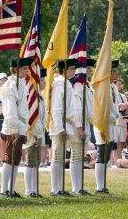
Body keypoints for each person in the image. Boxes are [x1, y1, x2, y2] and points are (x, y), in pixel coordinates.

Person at [0, 58, 32, 198]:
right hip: (13, 126)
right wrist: (14, 129)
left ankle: (11, 188)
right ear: (16, 70)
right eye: (24, 69)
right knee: (9, 158)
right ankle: (4, 189)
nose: (27, 71)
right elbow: (10, 110)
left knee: (16, 158)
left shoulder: (21, 83)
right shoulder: (10, 85)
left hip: (21, 125)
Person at [48, 59, 79, 196]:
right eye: (71, 68)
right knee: (57, 156)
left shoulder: (66, 84)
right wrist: (60, 128)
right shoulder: (59, 84)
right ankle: (56, 188)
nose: (73, 71)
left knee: (61, 156)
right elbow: (56, 108)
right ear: (64, 70)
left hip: (67, 122)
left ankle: (60, 187)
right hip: (58, 123)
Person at [93, 60, 121, 193]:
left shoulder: (113, 87)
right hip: (102, 123)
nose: (116, 73)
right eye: (114, 71)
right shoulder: (102, 86)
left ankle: (103, 184)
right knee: (101, 152)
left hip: (111, 123)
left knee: (107, 154)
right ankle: (99, 186)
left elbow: (115, 105)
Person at [69, 58, 96, 195]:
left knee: (81, 156)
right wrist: (79, 127)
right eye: (88, 69)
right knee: (76, 155)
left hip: (86, 122)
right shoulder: (78, 86)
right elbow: (77, 108)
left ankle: (80, 186)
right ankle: (76, 187)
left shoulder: (87, 86)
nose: (90, 72)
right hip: (77, 123)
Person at [24, 68, 47, 197]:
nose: (44, 82)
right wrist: (37, 134)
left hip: (39, 131)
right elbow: (32, 117)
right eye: (42, 80)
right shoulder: (32, 96)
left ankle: (34, 189)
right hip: (32, 131)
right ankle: (29, 190)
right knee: (30, 161)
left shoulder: (41, 96)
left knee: (36, 161)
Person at [112, 78, 128, 166]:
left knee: (120, 143)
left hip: (122, 122)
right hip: (114, 122)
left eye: (120, 84)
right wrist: (119, 106)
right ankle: (114, 161)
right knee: (114, 143)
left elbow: (127, 109)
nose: (119, 86)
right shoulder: (111, 94)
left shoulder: (123, 96)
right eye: (117, 84)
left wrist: (125, 108)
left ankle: (118, 161)